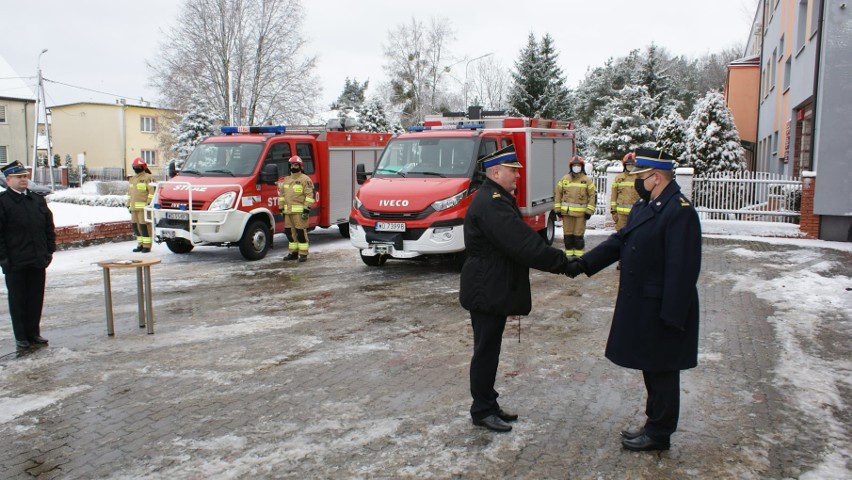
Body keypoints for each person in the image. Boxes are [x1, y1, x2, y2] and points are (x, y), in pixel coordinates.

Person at [565, 148, 702, 451]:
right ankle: (653, 425)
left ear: (656, 178)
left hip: (663, 309)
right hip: (644, 305)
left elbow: (683, 270)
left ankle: (659, 433)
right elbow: (619, 241)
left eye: (640, 177)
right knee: (651, 369)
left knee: (663, 370)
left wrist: (672, 316)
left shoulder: (679, 211)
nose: (635, 181)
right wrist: (583, 264)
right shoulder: (647, 206)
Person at [459, 144, 572, 433]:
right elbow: (523, 243)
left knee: (489, 348)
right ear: (496, 172)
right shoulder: (491, 201)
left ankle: (488, 402)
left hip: (489, 285)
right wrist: (563, 263)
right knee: (485, 350)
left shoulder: (495, 197)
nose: (518, 177)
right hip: (486, 288)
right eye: (513, 171)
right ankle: (481, 409)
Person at [0, 161, 56, 350]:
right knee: (18, 300)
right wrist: (4, 259)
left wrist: (49, 250)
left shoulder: (36, 199)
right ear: (8, 180)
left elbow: (48, 227)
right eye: (19, 177)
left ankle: (33, 332)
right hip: (16, 261)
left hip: (37, 258)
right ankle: (21, 336)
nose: (23, 180)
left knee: (35, 298)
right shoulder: (3, 202)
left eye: (25, 176)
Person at [554, 155, 596, 256]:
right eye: (574, 165)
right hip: (567, 214)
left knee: (578, 238)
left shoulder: (587, 180)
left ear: (582, 166)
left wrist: (589, 212)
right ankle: (569, 258)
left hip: (580, 216)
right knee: (568, 238)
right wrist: (557, 209)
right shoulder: (564, 179)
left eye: (578, 165)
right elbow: (558, 193)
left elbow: (592, 196)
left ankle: (578, 258)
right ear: (571, 166)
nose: (576, 167)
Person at [278, 156, 315, 262]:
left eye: (295, 165)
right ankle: (293, 253)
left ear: (300, 166)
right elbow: (282, 195)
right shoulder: (286, 180)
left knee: (300, 233)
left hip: (300, 213)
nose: (293, 167)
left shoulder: (305, 179)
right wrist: (281, 208)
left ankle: (303, 254)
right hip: (288, 212)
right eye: (291, 165)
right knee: (290, 234)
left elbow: (309, 196)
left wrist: (306, 209)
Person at [128, 157, 156, 252]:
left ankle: (147, 246)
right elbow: (130, 194)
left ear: (142, 167)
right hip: (134, 208)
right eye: (134, 166)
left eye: (137, 166)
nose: (135, 168)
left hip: (144, 208)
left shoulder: (148, 178)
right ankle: (140, 244)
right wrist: (128, 205)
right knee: (136, 227)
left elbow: (152, 192)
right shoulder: (132, 179)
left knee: (145, 227)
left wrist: (148, 204)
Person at [610, 152, 639, 231]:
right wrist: (613, 211)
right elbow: (613, 196)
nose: (630, 166)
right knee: (621, 238)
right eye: (628, 164)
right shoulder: (618, 178)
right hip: (621, 216)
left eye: (632, 164)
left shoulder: (639, 178)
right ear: (624, 165)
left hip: (635, 214)